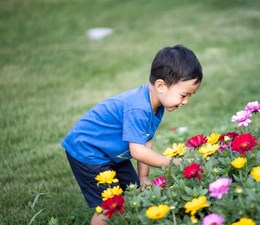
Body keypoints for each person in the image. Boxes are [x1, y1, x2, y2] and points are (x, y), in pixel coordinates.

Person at [61, 45, 203, 225]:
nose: (186, 101)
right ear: (160, 85)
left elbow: (146, 141)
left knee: (133, 191)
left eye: (190, 95)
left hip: (112, 152)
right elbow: (138, 152)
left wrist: (143, 177)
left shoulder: (157, 105)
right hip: (88, 150)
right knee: (111, 205)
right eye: (183, 95)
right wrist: (176, 163)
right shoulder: (139, 108)